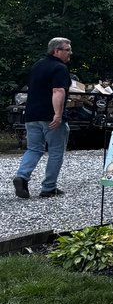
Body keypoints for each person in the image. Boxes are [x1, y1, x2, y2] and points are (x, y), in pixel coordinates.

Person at [12, 37, 73, 199]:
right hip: (49, 117)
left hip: (31, 115)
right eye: (67, 50)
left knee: (34, 149)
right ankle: (48, 187)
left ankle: (22, 177)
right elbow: (58, 91)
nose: (70, 53)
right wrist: (58, 115)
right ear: (56, 51)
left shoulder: (37, 65)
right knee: (55, 151)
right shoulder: (60, 68)